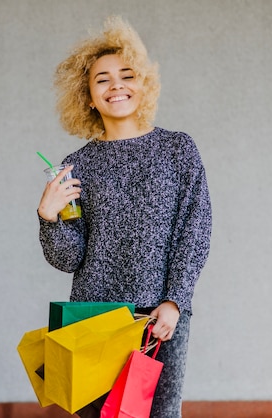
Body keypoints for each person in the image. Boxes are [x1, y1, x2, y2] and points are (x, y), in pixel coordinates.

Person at [37, 16, 211, 418]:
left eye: (126, 74)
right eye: (102, 80)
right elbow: (68, 259)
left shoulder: (177, 150)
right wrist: (49, 218)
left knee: (160, 415)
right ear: (88, 97)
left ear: (143, 84)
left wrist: (175, 300)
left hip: (157, 316)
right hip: (93, 317)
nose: (116, 85)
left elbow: (195, 230)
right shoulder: (76, 165)